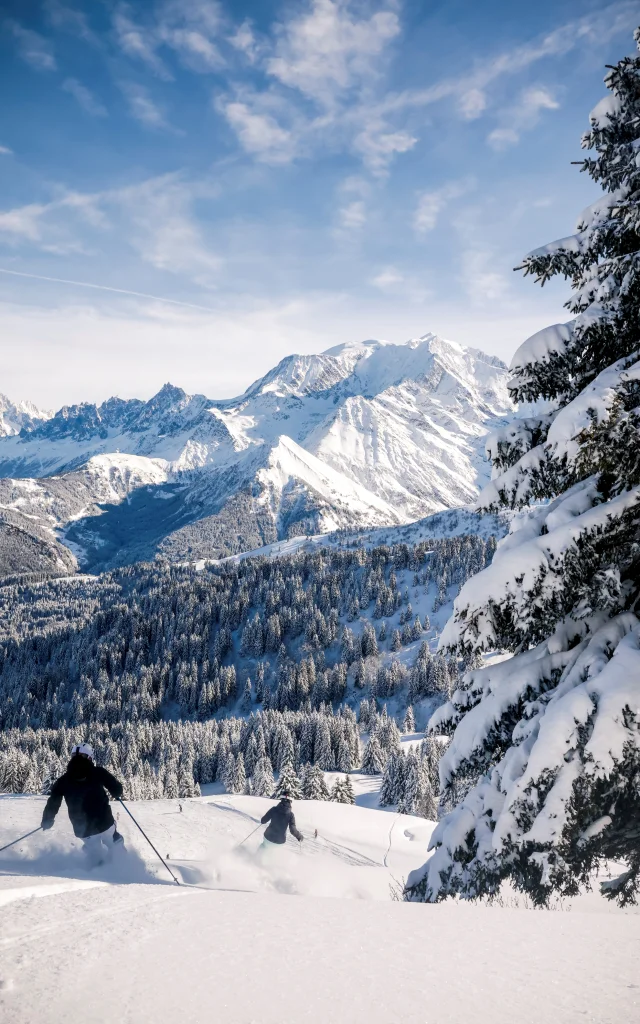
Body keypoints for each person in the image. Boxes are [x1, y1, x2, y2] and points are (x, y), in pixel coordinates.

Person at [41, 743, 125, 867]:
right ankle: (122, 864)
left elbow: (53, 802)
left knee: (93, 849)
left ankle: (98, 869)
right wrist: (116, 793)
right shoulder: (98, 772)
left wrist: (47, 820)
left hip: (83, 829)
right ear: (89, 757)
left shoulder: (63, 780)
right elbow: (117, 790)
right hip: (104, 822)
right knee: (114, 839)